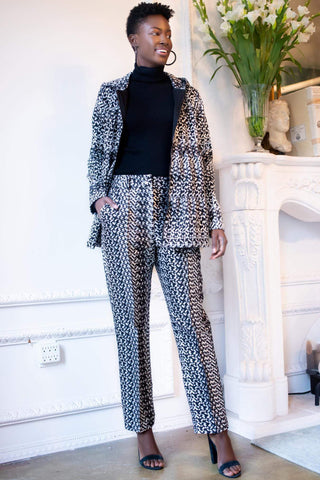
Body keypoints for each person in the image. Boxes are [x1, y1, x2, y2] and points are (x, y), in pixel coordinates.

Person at [86, 2, 241, 478]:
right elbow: (98, 152)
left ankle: (218, 432)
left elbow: (203, 158)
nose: (164, 40)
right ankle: (143, 432)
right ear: (134, 39)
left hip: (178, 209)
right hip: (125, 209)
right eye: (154, 33)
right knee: (130, 327)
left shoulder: (185, 93)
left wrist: (214, 217)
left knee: (192, 322)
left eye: (168, 34)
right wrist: (98, 199)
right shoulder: (112, 92)